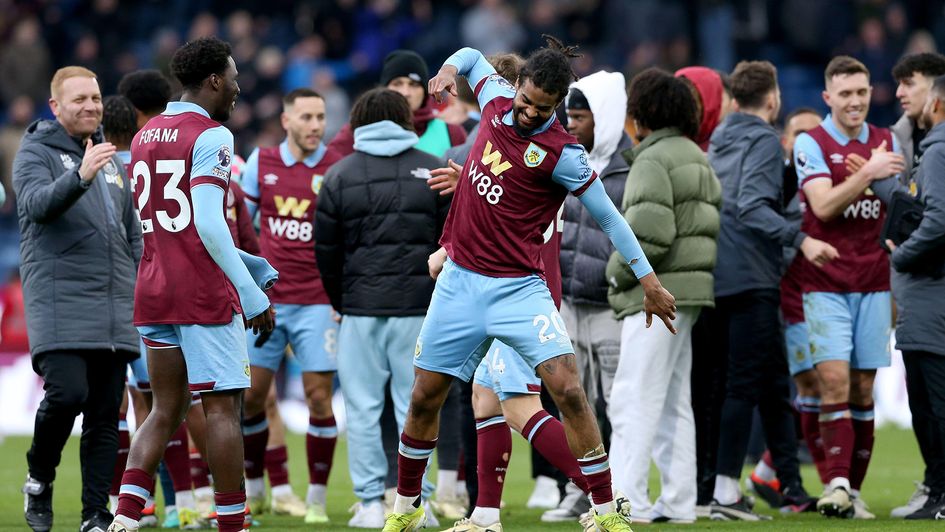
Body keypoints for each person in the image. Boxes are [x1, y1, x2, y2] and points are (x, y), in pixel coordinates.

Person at [382, 37, 676, 532]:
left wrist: (649, 280)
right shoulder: (494, 98)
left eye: (542, 110)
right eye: (525, 103)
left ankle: (605, 511)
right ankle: (406, 509)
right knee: (424, 397)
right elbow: (473, 55)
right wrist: (448, 72)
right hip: (460, 283)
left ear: (555, 105)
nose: (528, 115)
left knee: (568, 389)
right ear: (514, 87)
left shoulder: (563, 152)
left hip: (519, 289)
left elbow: (611, 220)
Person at [108, 36, 276, 532]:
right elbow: (206, 220)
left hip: (155, 288)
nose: (239, 89)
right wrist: (250, 290)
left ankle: (124, 518)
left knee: (164, 409)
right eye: (235, 78)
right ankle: (232, 524)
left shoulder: (144, 136)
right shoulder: (213, 137)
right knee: (222, 409)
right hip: (202, 293)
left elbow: (171, 225)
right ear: (214, 81)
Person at [314, 88, 450, 528]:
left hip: (360, 311)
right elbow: (452, 245)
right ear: (403, 119)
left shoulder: (338, 175)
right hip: (420, 312)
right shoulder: (433, 171)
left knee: (363, 409)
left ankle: (371, 503)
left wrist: (342, 302)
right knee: (418, 409)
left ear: (358, 120)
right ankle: (417, 504)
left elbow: (326, 253)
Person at [15, 65, 141, 532]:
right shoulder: (35, 153)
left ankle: (94, 515)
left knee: (106, 414)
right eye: (79, 100)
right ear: (55, 107)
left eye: (95, 97)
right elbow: (35, 207)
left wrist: (140, 285)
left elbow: (132, 235)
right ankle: (40, 478)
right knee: (68, 394)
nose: (91, 106)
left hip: (113, 306)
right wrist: (81, 176)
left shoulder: (109, 159)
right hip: (59, 299)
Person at [707, 61, 833, 521]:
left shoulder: (719, 140)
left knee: (772, 384)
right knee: (743, 385)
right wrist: (802, 239)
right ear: (774, 99)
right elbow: (751, 207)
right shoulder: (762, 140)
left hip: (720, 274)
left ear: (735, 100)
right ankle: (724, 493)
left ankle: (791, 488)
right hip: (754, 276)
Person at [604, 67, 721, 524]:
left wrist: (615, 275)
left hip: (657, 295)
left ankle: (622, 501)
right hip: (689, 292)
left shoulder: (652, 160)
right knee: (673, 402)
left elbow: (649, 235)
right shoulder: (694, 154)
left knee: (632, 396)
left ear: (643, 113)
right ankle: (678, 503)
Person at [793, 55, 905, 519]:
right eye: (845, 94)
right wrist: (866, 174)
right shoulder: (811, 141)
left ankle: (851, 493)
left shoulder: (888, 140)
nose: (855, 101)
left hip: (876, 282)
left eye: (861, 92)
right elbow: (821, 207)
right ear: (828, 98)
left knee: (863, 387)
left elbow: (902, 208)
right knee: (833, 380)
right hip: (824, 284)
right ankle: (835, 481)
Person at [239, 87, 342, 524]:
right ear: (286, 121)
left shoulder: (336, 168)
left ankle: (316, 499)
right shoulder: (261, 163)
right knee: (249, 399)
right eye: (306, 117)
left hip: (317, 301)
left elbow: (345, 236)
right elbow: (242, 230)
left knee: (320, 398)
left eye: (320, 117)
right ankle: (257, 488)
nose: (315, 125)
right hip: (267, 302)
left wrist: (343, 294)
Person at [544, 70, 633, 522]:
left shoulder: (630, 166)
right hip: (570, 301)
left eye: (581, 116)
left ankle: (620, 490)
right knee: (575, 401)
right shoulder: (562, 156)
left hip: (611, 304)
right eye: (569, 115)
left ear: (606, 116)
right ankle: (582, 489)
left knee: (617, 403)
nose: (572, 124)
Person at [746, 107, 830, 508]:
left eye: (817, 134)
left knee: (818, 386)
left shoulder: (832, 180)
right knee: (804, 386)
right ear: (785, 140)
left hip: (827, 293)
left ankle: (767, 472)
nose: (809, 142)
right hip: (783, 297)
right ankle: (817, 478)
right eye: (800, 134)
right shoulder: (773, 182)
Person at [886, 74, 945, 520]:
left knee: (932, 402)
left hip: (929, 294)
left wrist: (902, 254)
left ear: (937, 102)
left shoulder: (938, 150)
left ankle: (940, 491)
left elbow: (939, 220)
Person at [328, 49, 467, 158]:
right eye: (397, 83)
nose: (405, 92)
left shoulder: (451, 133)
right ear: (384, 89)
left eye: (413, 84)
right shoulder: (359, 130)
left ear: (425, 92)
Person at [890, 53, 945, 182]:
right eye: (899, 85)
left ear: (935, 88)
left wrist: (883, 185)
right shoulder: (893, 139)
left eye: (909, 84)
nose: (899, 93)